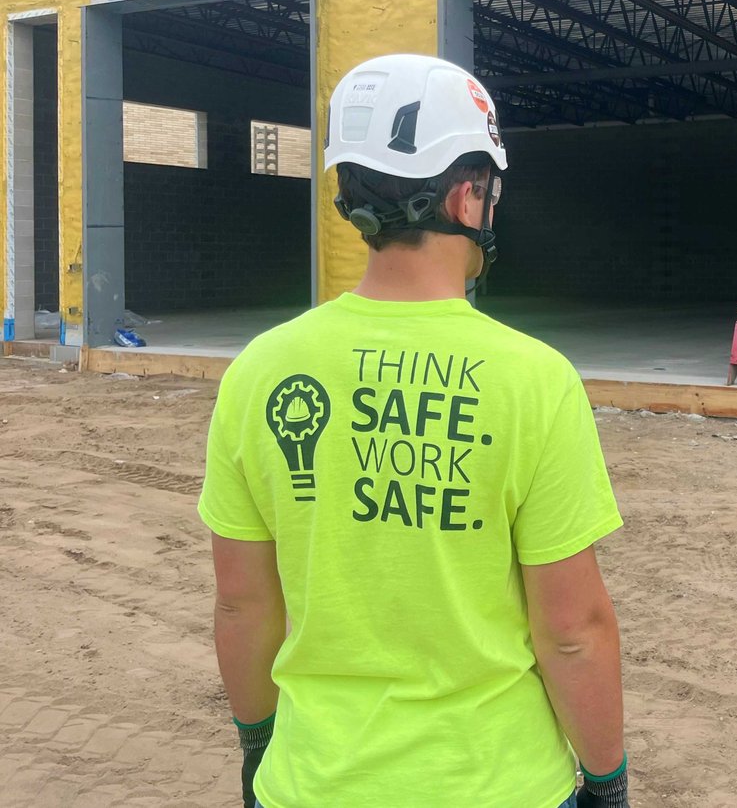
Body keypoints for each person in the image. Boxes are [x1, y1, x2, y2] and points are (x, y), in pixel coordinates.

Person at [198, 54, 629, 808]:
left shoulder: (259, 371)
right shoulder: (536, 380)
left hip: (313, 783)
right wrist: (606, 779)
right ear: (468, 195)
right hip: (501, 784)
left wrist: (259, 742)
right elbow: (573, 630)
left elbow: (242, 605)